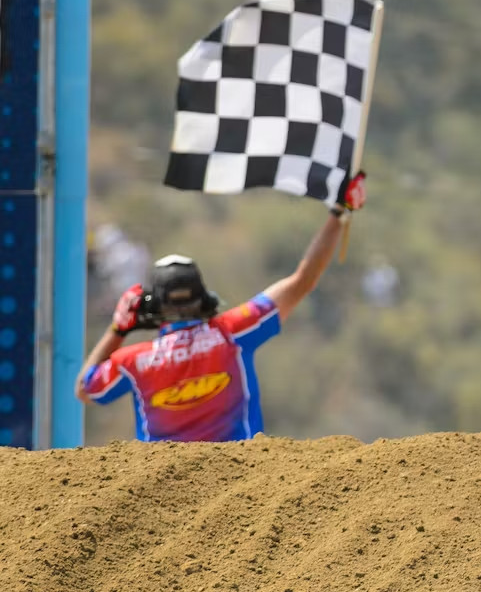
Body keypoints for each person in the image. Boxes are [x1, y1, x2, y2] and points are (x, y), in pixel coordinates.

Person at [76, 171, 367, 442]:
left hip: (163, 492)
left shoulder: (132, 361)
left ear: (153, 308)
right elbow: (302, 280)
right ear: (204, 297)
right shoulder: (234, 331)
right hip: (244, 483)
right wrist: (338, 213)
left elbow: (85, 389)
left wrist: (118, 329)